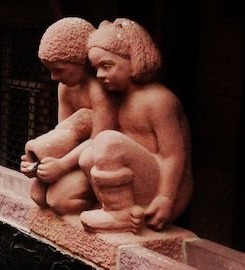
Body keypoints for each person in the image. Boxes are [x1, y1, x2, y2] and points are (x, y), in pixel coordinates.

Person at [78, 19, 193, 233]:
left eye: (107, 66)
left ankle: (119, 215)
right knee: (87, 156)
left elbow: (173, 155)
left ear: (133, 60)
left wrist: (166, 198)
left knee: (108, 141)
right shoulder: (119, 99)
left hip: (162, 189)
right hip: (139, 185)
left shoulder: (158, 100)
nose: (99, 75)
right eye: (96, 69)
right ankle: (115, 208)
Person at [20, 17, 115, 215]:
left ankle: (102, 205)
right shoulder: (64, 88)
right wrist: (36, 162)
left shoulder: (98, 90)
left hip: (94, 161)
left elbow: (98, 142)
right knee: (38, 194)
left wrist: (62, 166)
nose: (54, 77)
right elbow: (64, 134)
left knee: (59, 200)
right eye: (50, 70)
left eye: (59, 70)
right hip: (74, 156)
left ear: (81, 61)